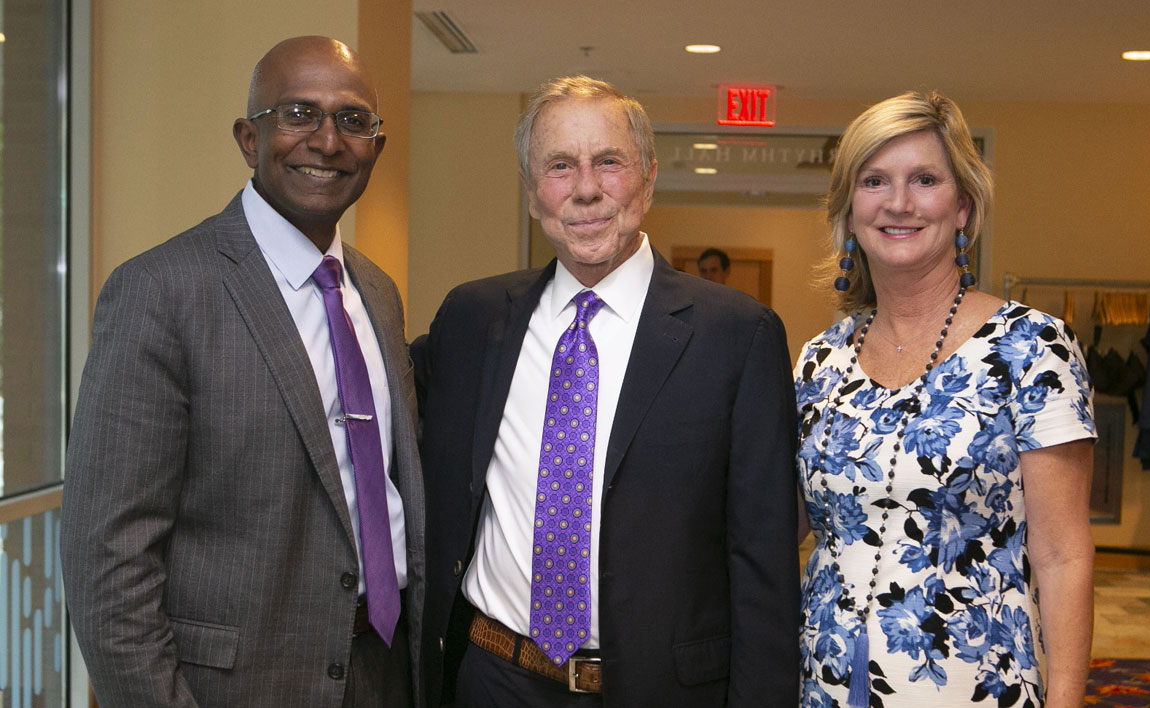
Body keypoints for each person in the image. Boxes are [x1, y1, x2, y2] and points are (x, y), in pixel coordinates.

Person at [412, 75, 800, 707]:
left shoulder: (737, 336)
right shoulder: (473, 319)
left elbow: (763, 561)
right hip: (492, 678)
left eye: (609, 163)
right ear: (532, 191)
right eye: (560, 166)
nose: (586, 189)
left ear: (648, 178)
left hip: (659, 690)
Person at [60, 36, 424, 708]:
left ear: (375, 145)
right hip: (233, 685)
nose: (327, 140)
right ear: (248, 140)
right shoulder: (161, 291)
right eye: (297, 114)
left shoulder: (375, 293)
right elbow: (107, 558)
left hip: (382, 671)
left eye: (351, 120)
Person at [794, 91, 1096, 708]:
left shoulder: (1032, 349)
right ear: (849, 211)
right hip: (822, 684)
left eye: (924, 179)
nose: (898, 202)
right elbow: (782, 526)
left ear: (962, 206)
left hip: (976, 687)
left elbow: (1063, 556)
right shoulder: (818, 360)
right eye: (874, 180)